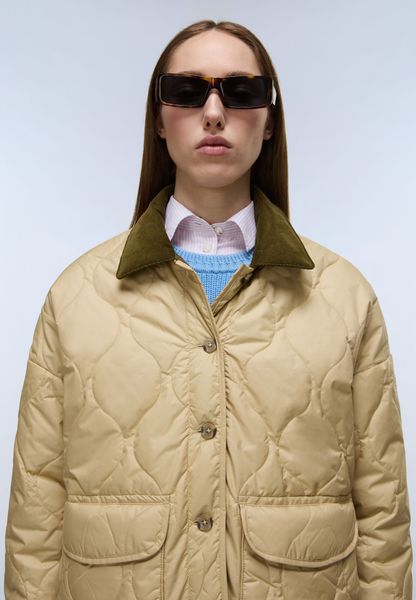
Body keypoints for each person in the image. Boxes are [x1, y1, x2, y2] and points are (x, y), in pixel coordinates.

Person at [4, 18, 413, 600]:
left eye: (242, 91)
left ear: (269, 121)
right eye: (187, 91)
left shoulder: (345, 297)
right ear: (158, 118)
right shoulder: (76, 297)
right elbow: (37, 510)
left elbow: (382, 513)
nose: (214, 112)